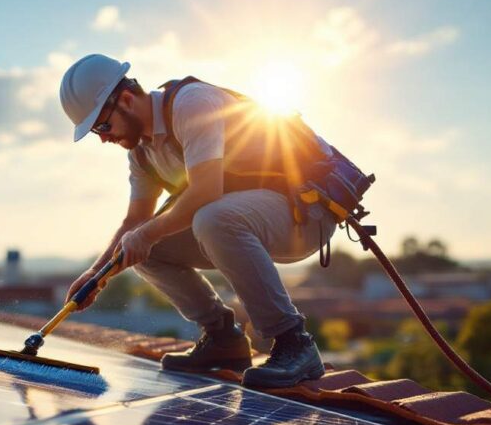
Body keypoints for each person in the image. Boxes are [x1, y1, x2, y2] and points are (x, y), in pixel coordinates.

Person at [58, 54, 367, 388]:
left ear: (128, 99)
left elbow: (206, 191)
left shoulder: (193, 104)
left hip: (305, 215)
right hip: (244, 221)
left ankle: (295, 343)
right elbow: (135, 221)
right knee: (140, 250)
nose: (103, 138)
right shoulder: (142, 153)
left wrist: (143, 234)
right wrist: (96, 275)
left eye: (102, 126)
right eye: (94, 132)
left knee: (208, 218)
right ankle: (223, 340)